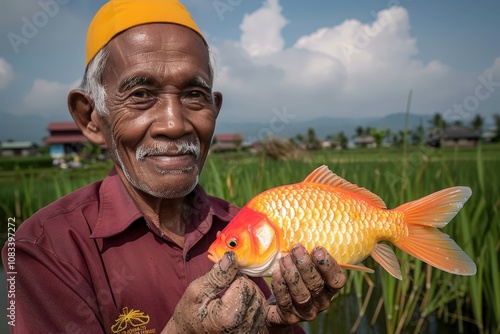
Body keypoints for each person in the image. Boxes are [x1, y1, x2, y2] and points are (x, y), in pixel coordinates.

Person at [2, 1, 346, 333]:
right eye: (140, 94)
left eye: (195, 94)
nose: (174, 123)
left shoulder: (242, 230)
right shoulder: (43, 248)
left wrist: (275, 327)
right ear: (91, 118)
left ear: (215, 108)